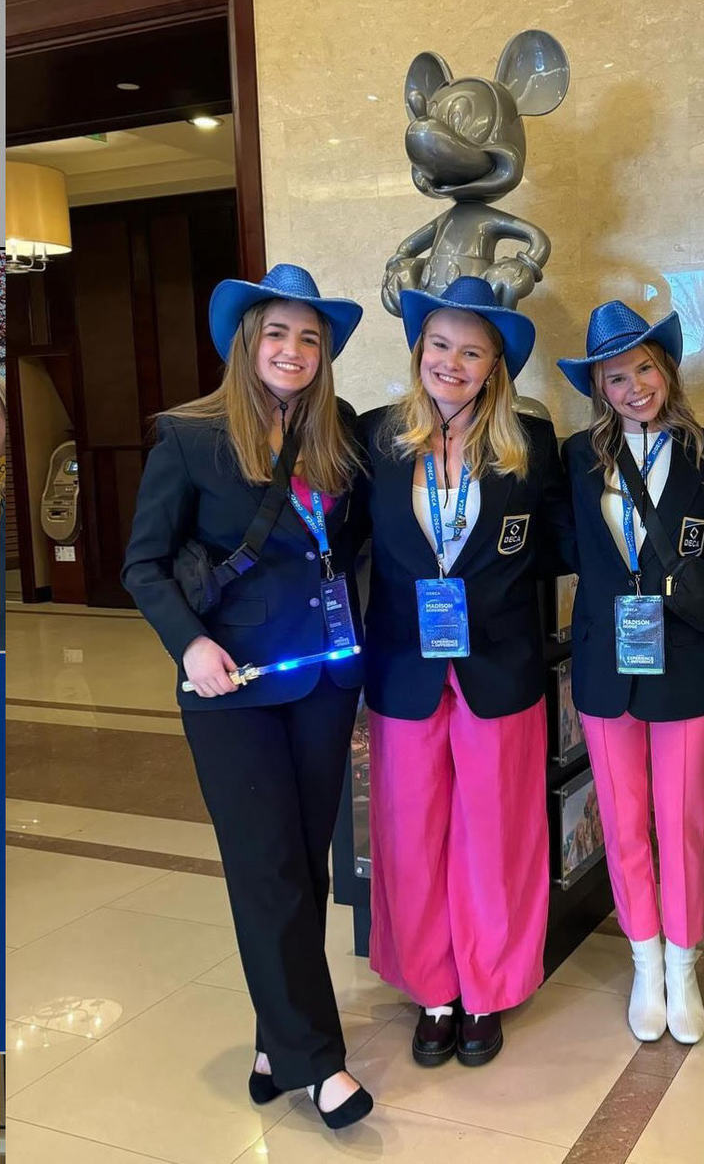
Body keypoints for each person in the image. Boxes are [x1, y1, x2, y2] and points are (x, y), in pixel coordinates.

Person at [122, 264, 374, 1130]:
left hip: (322, 679)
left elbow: (358, 549)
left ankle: (275, 1038)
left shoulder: (339, 435)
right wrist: (189, 642)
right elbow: (143, 563)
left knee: (302, 865)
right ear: (247, 341)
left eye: (309, 337)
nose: (293, 350)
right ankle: (319, 1061)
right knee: (264, 867)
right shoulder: (189, 436)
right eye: (278, 333)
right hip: (228, 686)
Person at [359, 276, 573, 1070]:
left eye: (471, 350)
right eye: (439, 344)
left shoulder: (528, 442)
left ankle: (485, 987)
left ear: (495, 365)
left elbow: (558, 541)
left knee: (497, 832)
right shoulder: (375, 439)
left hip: (498, 666)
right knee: (412, 834)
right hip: (404, 670)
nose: (451, 361)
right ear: (420, 350)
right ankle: (433, 987)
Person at [557, 301, 704, 1044]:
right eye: (616, 375)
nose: (634, 386)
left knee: (681, 820)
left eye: (644, 368)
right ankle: (645, 960)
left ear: (667, 368)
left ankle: (685, 960)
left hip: (686, 664)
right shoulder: (575, 456)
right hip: (605, 665)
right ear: (598, 384)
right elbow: (565, 548)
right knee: (623, 822)